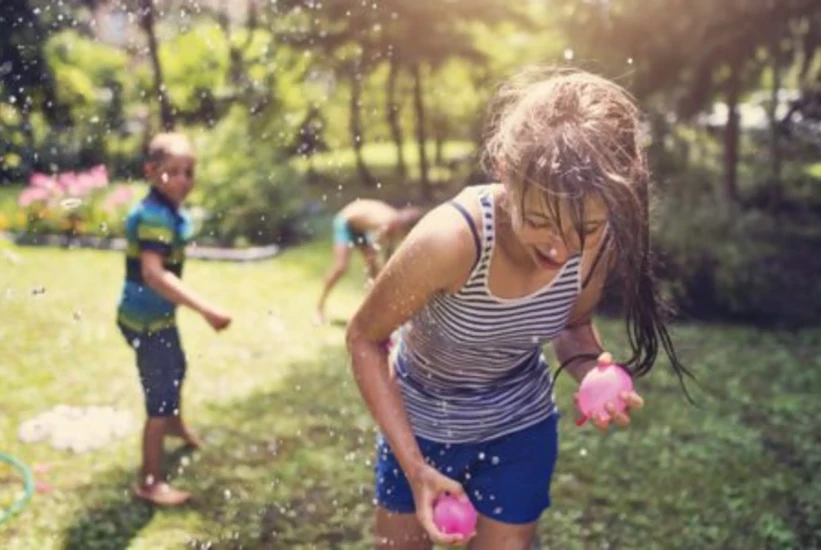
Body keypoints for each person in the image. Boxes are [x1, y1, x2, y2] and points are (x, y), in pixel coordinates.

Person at [345, 67, 692, 549]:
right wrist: (415, 466)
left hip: (518, 426)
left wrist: (591, 369)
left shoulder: (599, 240)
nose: (563, 249)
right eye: (540, 221)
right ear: (506, 172)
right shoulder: (451, 241)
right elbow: (364, 337)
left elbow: (574, 325)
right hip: (420, 425)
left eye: (584, 228)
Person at [116, 132, 232, 506]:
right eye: (173, 172)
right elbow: (153, 273)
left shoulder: (165, 209)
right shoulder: (153, 216)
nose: (183, 179)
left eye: (189, 171)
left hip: (155, 317)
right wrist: (207, 309)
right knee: (160, 395)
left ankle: (176, 425)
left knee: (177, 367)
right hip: (146, 320)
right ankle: (149, 481)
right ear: (151, 171)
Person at [314, 199, 422, 325]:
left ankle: (370, 313)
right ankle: (319, 308)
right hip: (346, 222)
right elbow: (377, 249)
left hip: (362, 228)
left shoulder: (395, 223)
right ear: (403, 229)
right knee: (341, 267)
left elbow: (387, 256)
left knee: (376, 273)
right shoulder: (387, 223)